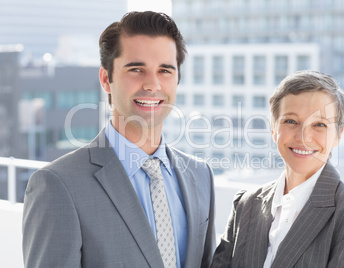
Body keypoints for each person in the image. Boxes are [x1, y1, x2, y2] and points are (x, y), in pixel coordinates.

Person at [23, 11, 215, 268]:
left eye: (165, 70)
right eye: (137, 69)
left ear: (177, 79)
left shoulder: (200, 175)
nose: (152, 84)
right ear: (106, 79)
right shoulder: (58, 185)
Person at [211, 70, 344, 268]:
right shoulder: (246, 204)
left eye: (319, 124)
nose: (303, 137)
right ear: (274, 129)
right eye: (291, 121)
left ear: (338, 135)